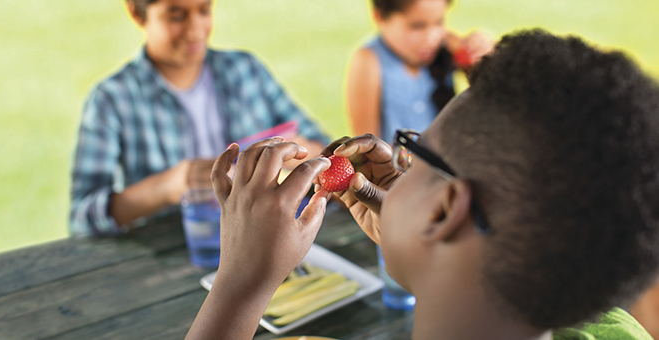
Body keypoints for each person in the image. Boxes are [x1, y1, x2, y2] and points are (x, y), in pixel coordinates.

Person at [184, 29, 659, 339]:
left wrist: (240, 286)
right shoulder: (608, 327)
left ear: (444, 209)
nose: (398, 163)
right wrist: (424, 240)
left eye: (417, 151)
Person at [69, 0, 329, 237]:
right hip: (179, 252)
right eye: (176, 16)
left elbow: (325, 151)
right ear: (137, 12)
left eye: (204, 10)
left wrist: (300, 155)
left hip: (264, 238)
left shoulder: (246, 71)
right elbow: (81, 219)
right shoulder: (112, 100)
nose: (195, 31)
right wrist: (169, 186)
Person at [346, 0, 494, 140]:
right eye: (417, 26)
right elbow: (368, 149)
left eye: (439, 22)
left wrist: (481, 53)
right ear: (380, 17)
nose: (431, 38)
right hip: (399, 166)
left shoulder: (447, 47)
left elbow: (492, 91)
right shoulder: (369, 62)